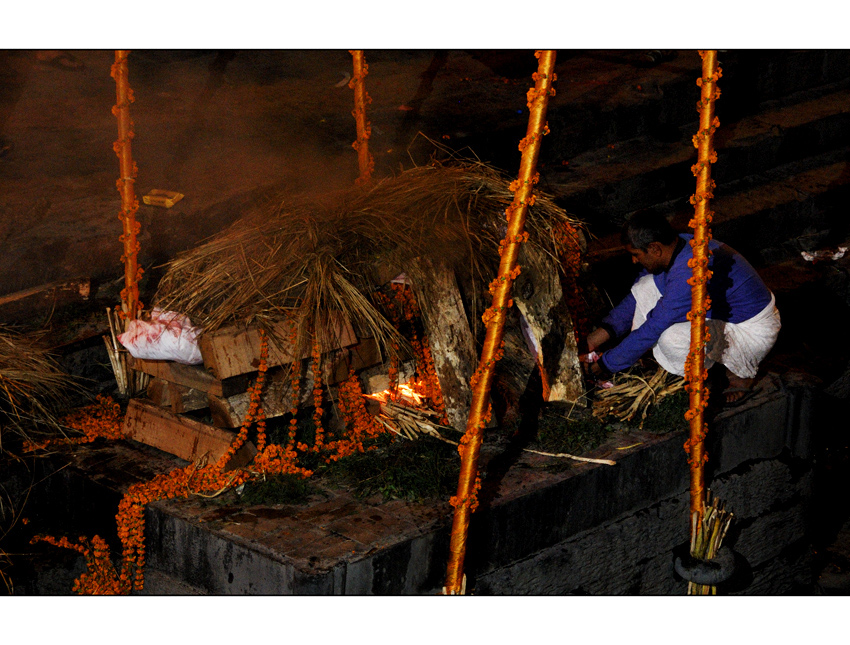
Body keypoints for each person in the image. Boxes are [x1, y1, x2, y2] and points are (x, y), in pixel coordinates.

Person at [585, 211, 781, 405]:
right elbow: (636, 299)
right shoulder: (678, 245)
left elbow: (654, 327)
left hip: (751, 331)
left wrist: (602, 366)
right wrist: (594, 340)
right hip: (723, 315)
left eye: (636, 255)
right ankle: (656, 358)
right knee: (645, 285)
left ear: (654, 248)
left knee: (670, 339)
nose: (634, 261)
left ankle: (735, 373)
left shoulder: (688, 272)